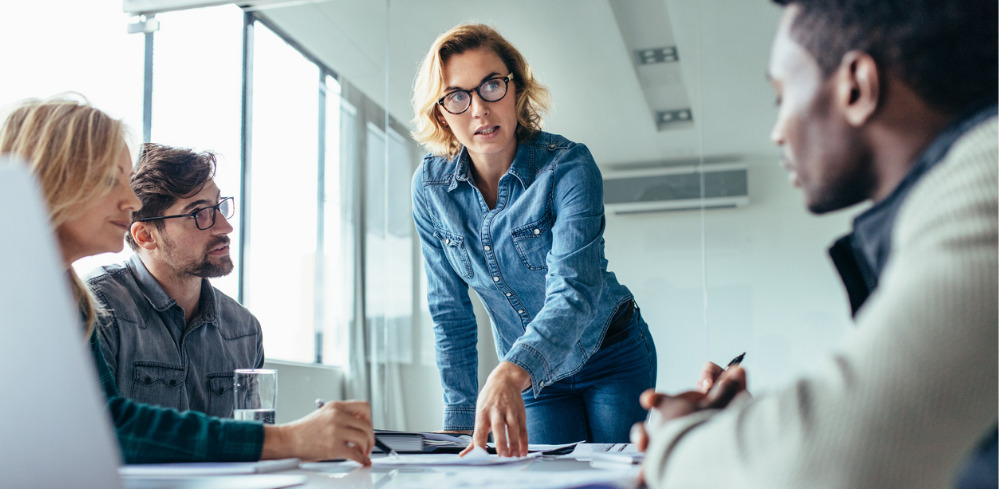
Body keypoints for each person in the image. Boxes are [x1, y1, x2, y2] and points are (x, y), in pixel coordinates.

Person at [635, 0, 997, 489]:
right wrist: (754, 429)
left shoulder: (987, 177)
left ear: (856, 86)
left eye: (782, 97)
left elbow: (839, 470)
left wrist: (675, 438)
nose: (777, 132)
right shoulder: (942, 196)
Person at [0, 96, 376, 465]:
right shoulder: (80, 303)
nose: (130, 200)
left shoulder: (67, 295)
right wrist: (290, 439)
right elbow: (103, 430)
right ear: (53, 180)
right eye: (109, 180)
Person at [410, 24, 657, 456]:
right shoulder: (430, 190)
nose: (479, 110)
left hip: (611, 354)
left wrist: (510, 370)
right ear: (441, 112)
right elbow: (449, 313)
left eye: (491, 85)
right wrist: (459, 419)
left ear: (517, 90)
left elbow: (575, 290)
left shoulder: (568, 166)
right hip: (533, 378)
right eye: (457, 96)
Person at [87, 143, 262, 418]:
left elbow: (256, 439)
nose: (225, 227)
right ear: (146, 235)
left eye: (219, 207)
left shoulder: (244, 329)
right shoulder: (97, 309)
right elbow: (99, 436)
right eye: (199, 213)